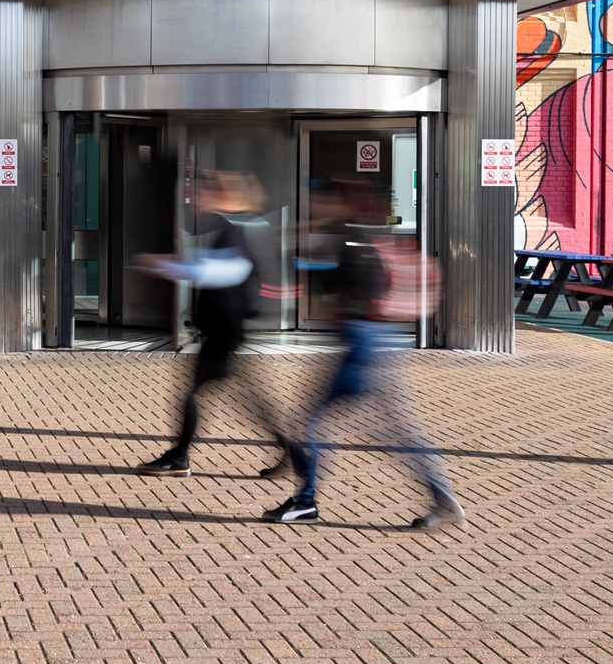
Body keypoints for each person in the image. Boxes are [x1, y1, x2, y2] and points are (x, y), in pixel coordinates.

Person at [263, 186, 464, 530]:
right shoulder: (366, 239)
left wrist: (287, 265)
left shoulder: (348, 238)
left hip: (360, 344)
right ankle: (440, 494)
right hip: (378, 343)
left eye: (318, 200)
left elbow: (320, 271)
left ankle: (305, 501)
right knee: (397, 431)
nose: (311, 207)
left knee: (309, 425)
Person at [135, 171, 293, 480]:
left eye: (204, 192)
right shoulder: (233, 226)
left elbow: (217, 271)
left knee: (195, 395)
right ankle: (291, 450)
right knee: (247, 399)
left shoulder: (237, 228)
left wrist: (163, 265)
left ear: (223, 195)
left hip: (225, 330)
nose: (197, 198)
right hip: (225, 329)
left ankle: (180, 457)